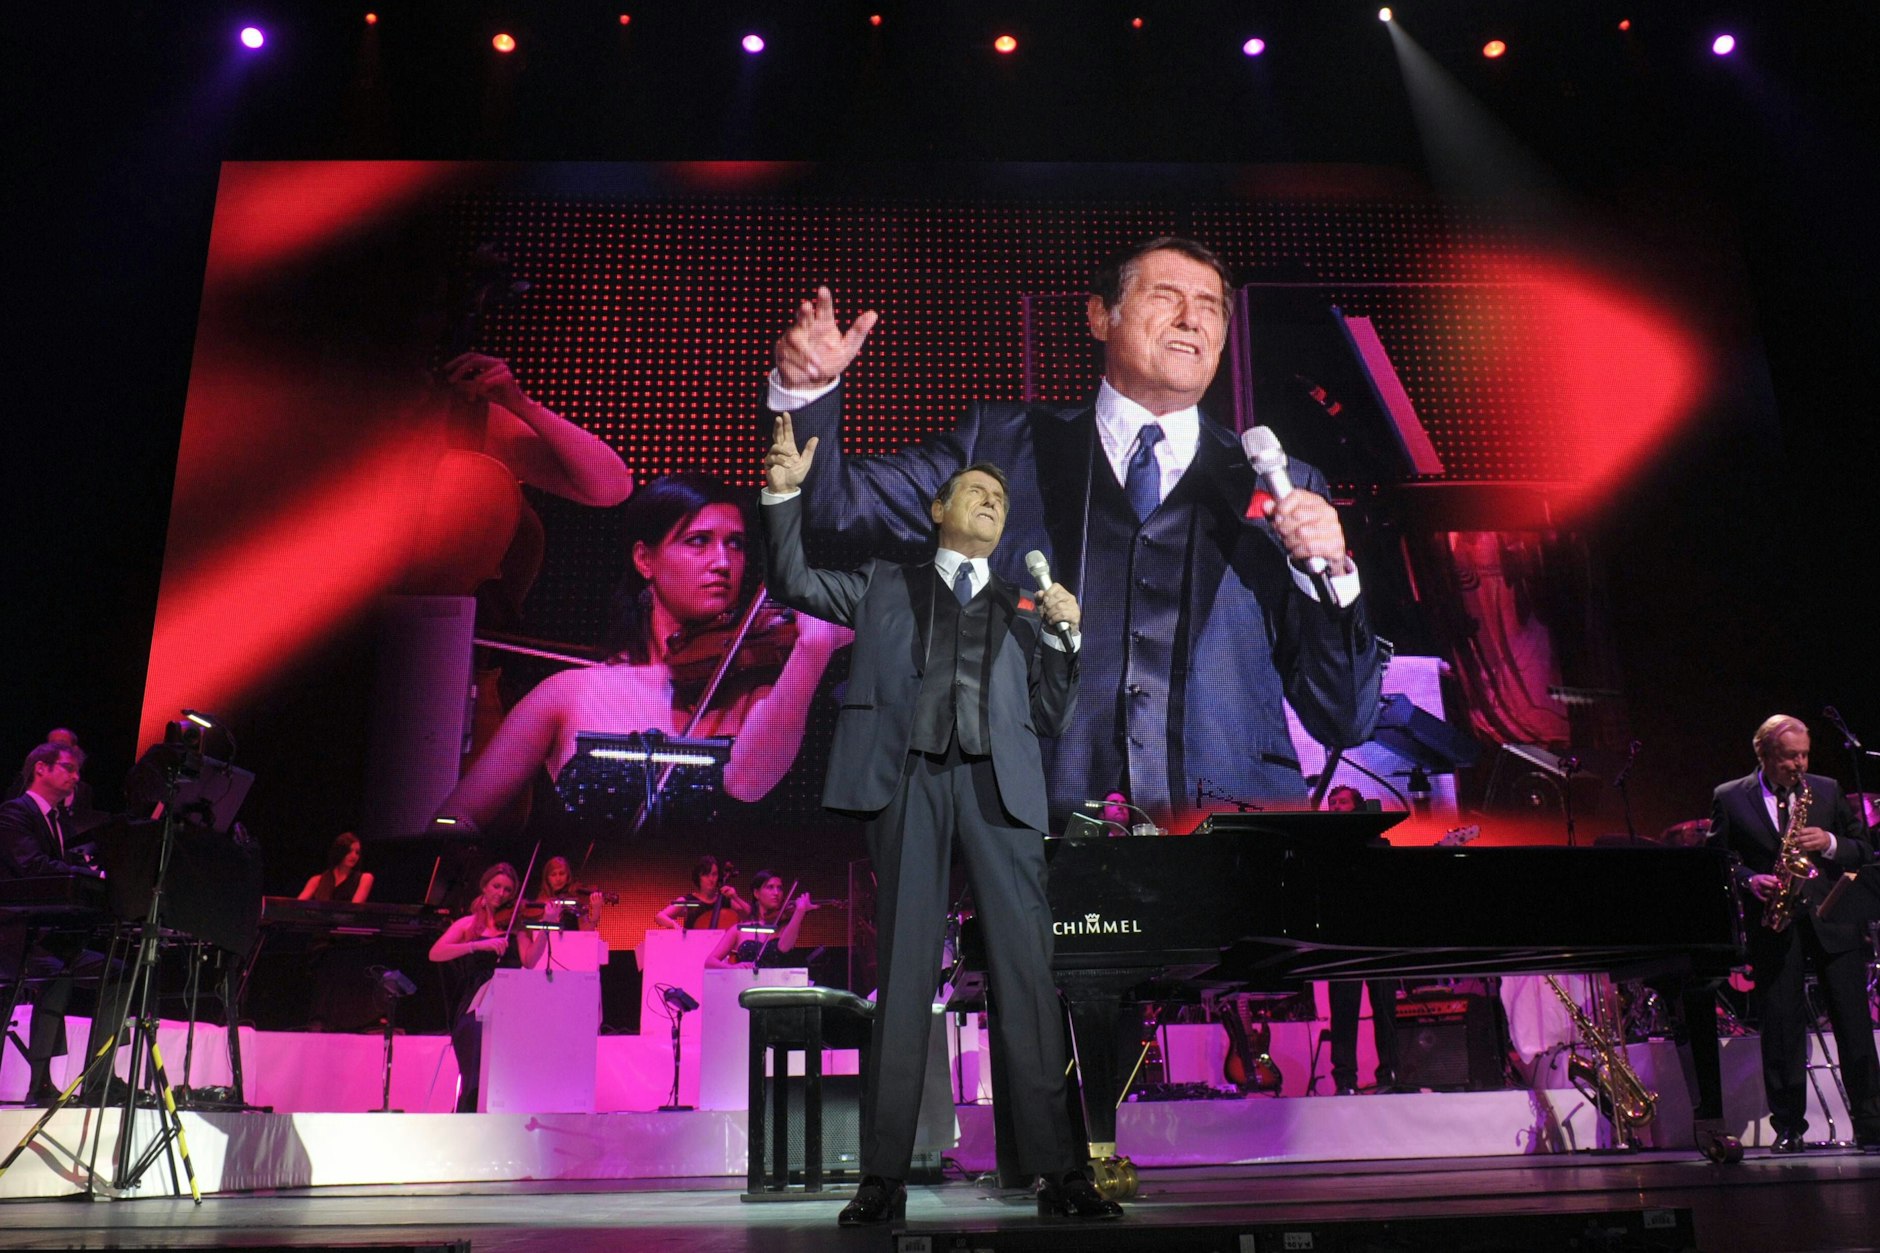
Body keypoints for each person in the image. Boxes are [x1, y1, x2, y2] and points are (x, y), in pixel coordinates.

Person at [761, 237, 1385, 830]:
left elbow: (1345, 718)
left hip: (1233, 842)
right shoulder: (999, 446)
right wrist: (806, 394)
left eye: (1210, 307)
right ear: (1099, 317)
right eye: (1166, 296)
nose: (1192, 320)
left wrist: (1330, 579)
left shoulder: (1284, 486)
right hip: (1029, 831)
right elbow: (834, 507)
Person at [762, 419, 1120, 1224]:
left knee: (1026, 975)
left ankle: (1059, 1172)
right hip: (908, 781)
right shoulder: (884, 582)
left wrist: (1064, 640)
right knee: (905, 971)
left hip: (1000, 791)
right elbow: (793, 579)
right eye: (976, 491)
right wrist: (783, 497)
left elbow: (1050, 716)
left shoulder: (1022, 606)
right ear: (937, 510)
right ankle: (882, 1176)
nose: (991, 501)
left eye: (1000, 498)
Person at [431, 474, 850, 833]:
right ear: (645, 559)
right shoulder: (568, 693)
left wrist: (812, 649)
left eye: (736, 544)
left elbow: (748, 781)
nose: (723, 562)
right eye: (699, 541)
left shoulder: (755, 691)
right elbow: (456, 816)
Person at [1708, 715, 1879, 1152]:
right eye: (1789, 757)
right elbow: (1718, 859)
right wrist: (1749, 879)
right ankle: (1788, 1127)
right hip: (1775, 923)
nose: (1800, 764)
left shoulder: (1826, 789)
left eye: (1804, 755)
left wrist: (1829, 843)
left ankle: (1872, 1123)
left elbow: (1863, 849)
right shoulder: (1729, 796)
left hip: (1832, 919)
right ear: (1763, 754)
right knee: (1781, 1027)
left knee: (1854, 1024)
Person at [0, 742, 112, 1105]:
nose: (76, 777)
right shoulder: (14, 813)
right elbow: (32, 866)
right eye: (68, 768)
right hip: (13, 936)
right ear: (41, 768)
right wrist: (90, 874)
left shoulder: (60, 821)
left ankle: (100, 1078)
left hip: (45, 938)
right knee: (57, 971)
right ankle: (40, 1083)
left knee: (121, 972)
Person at [427, 862, 540, 1112]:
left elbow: (530, 961)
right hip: (474, 1006)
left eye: (508, 890)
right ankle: (468, 1120)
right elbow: (435, 953)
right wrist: (476, 945)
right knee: (474, 1071)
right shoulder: (467, 924)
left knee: (507, 1077)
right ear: (485, 887)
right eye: (496, 886)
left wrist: (547, 925)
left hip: (510, 1006)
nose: (501, 894)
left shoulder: (516, 927)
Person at [1321, 784, 1399, 1095]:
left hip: (1378, 937)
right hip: (1342, 939)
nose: (1336, 807)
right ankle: (1345, 1080)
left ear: (1357, 807)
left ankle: (1390, 1074)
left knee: (1385, 1009)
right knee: (1343, 1011)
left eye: (1342, 802)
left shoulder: (1379, 846)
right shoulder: (1324, 848)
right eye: (1332, 803)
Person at [704, 870, 819, 969]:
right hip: (746, 985)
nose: (776, 893)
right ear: (756, 893)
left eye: (779, 888)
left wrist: (799, 912)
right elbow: (709, 962)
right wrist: (732, 968)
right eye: (770, 887)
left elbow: (784, 947)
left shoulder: (786, 925)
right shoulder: (739, 929)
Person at [654, 854, 751, 930]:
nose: (711, 879)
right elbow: (660, 916)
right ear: (698, 877)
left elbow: (750, 914)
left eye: (714, 874)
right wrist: (676, 927)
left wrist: (735, 897)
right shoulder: (688, 901)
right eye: (706, 875)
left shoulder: (724, 900)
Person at [531, 855, 604, 932]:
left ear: (568, 876)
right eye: (553, 874)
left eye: (562, 873)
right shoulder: (542, 901)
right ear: (547, 879)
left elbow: (586, 931)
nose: (558, 879)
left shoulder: (575, 901)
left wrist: (596, 910)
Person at [298, 832, 374, 903]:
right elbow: (297, 905)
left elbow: (354, 908)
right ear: (340, 851)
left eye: (357, 852)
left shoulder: (365, 878)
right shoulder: (317, 880)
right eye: (349, 851)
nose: (354, 856)